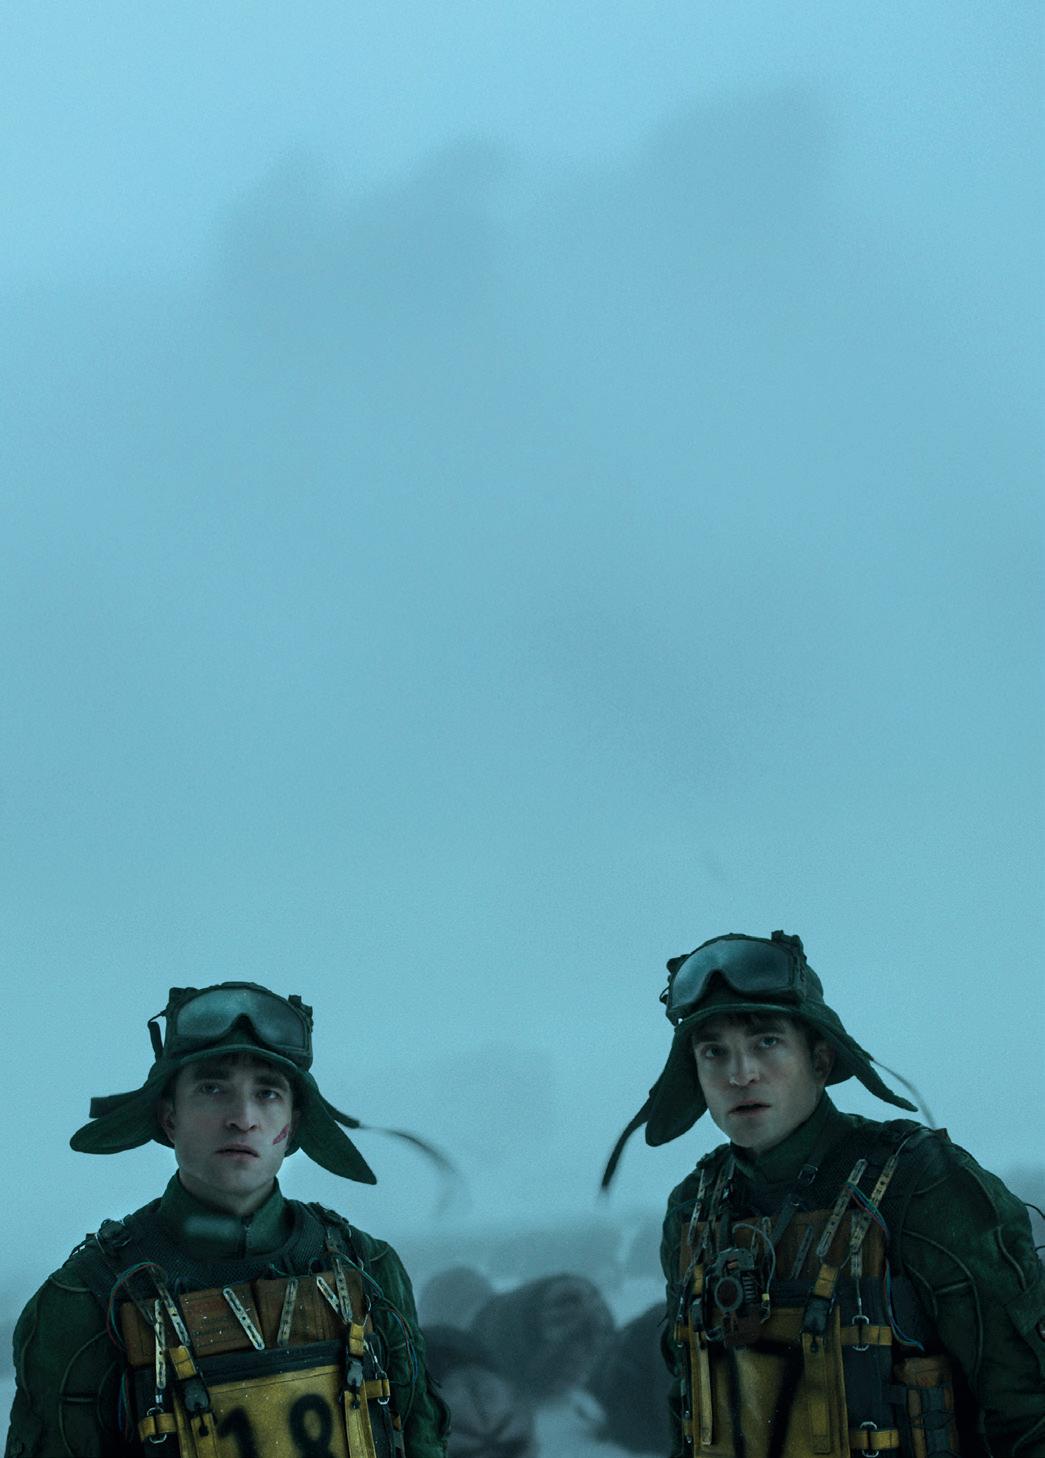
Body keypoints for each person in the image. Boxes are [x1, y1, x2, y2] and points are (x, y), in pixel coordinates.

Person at [603, 930, 1045, 1457]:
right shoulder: (692, 1208)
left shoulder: (919, 1183)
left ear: (820, 1060)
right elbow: (689, 1412)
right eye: (714, 1052)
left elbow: (1027, 1406)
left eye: (766, 1042)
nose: (740, 1074)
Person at [5, 981, 451, 1458]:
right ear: (169, 1116)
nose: (242, 1118)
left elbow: (420, 1439)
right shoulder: (86, 1300)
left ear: (293, 1127)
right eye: (212, 1089)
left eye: (268, 1093)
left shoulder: (369, 1270)